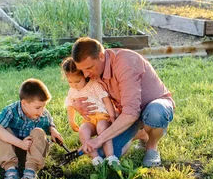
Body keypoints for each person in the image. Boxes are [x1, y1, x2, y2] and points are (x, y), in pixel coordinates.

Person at [71, 37, 174, 167]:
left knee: (156, 114)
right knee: (103, 153)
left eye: (89, 68)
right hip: (127, 114)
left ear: (101, 56)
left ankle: (151, 147)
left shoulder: (125, 63)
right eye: (82, 70)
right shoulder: (94, 70)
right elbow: (80, 89)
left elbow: (131, 113)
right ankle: (141, 134)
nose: (85, 75)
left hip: (151, 105)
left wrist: (99, 139)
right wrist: (77, 104)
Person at [0, 78, 64, 179]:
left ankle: (30, 171)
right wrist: (20, 144)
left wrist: (52, 130)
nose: (41, 111)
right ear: (24, 103)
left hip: (33, 152)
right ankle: (10, 169)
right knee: (3, 130)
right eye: (38, 107)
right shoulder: (11, 111)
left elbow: (49, 123)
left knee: (39, 132)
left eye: (44, 106)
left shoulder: (43, 114)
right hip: (14, 150)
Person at [61, 57, 119, 168]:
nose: (74, 85)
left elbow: (106, 100)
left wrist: (112, 115)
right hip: (89, 120)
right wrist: (71, 121)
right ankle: (96, 158)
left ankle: (110, 157)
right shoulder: (72, 90)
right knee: (83, 131)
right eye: (70, 82)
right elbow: (70, 105)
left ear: (85, 75)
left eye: (77, 81)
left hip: (102, 116)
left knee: (102, 128)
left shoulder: (94, 85)